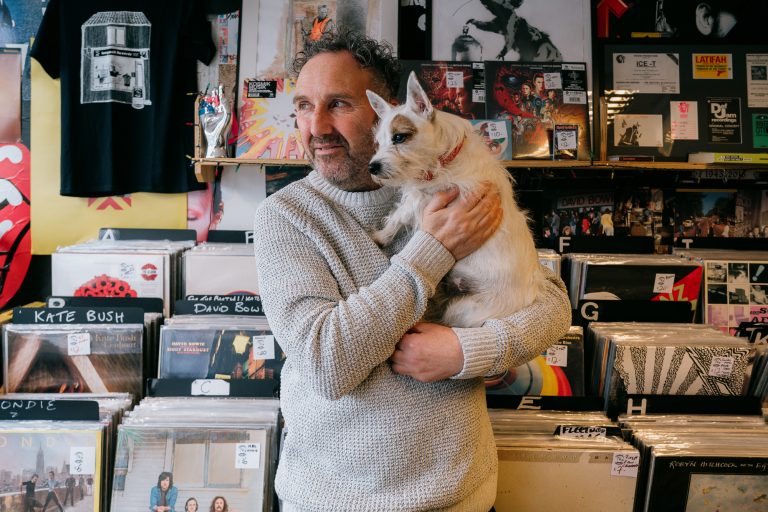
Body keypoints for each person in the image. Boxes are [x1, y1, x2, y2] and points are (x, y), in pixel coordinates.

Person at [253, 29, 571, 511]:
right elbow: (326, 363)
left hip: (459, 494)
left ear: (385, 111)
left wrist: (466, 350)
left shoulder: (456, 186)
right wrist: (433, 249)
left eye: (338, 104)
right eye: (302, 105)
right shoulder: (284, 217)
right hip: (332, 501)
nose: (315, 126)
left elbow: (550, 304)